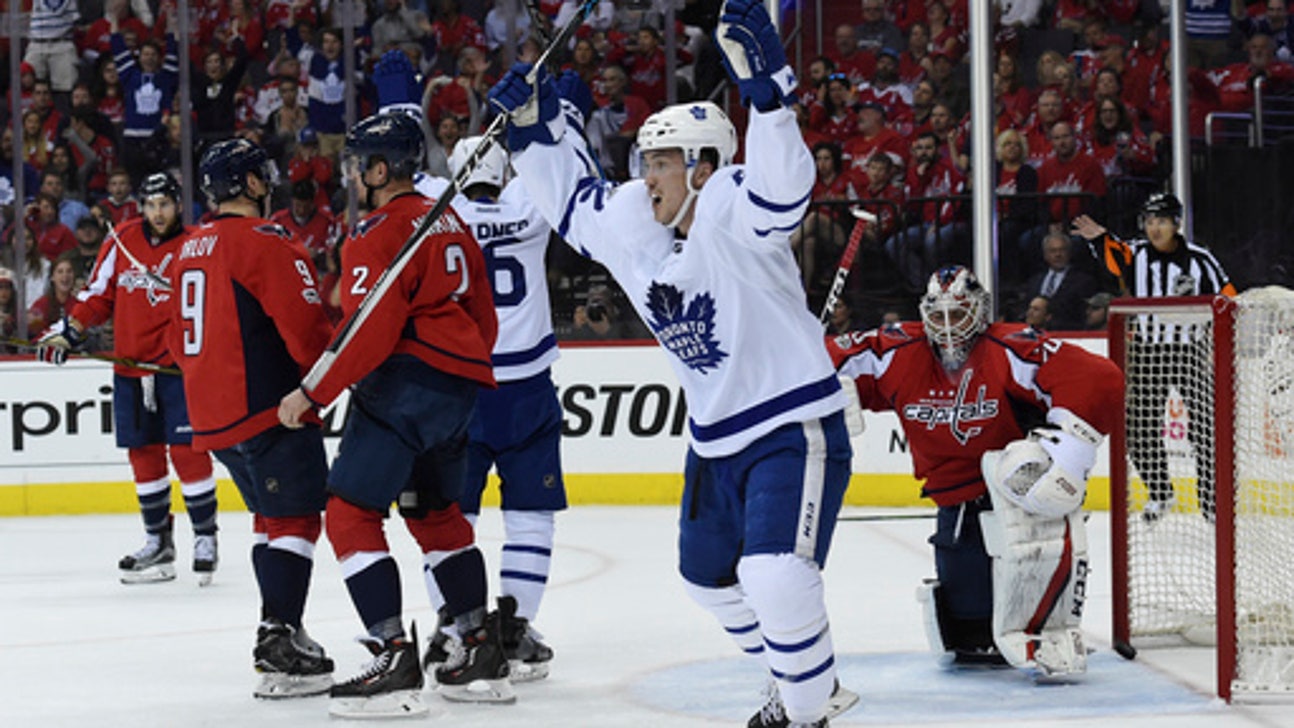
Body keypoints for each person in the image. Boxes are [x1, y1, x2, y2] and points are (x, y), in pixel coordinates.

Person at [488, 0, 856, 723]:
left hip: (792, 423)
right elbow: (570, 202)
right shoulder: (636, 223)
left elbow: (784, 193)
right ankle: (798, 679)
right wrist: (531, 131)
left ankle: (808, 707)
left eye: (659, 162)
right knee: (708, 581)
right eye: (644, 161)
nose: (645, 175)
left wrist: (768, 99)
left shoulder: (731, 206)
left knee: (774, 574)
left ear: (701, 164)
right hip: (714, 440)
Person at [277, 112, 506, 717]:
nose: (353, 177)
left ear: (381, 170)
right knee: (434, 514)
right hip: (459, 387)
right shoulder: (449, 222)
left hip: (404, 385)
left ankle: (393, 655)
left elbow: (365, 331)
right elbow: (484, 316)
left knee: (349, 514)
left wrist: (313, 392)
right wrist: (461, 371)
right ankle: (480, 646)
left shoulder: (378, 231)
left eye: (359, 166)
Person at [828, 265, 1122, 677]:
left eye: (959, 313)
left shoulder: (1008, 347)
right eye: (940, 315)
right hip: (955, 506)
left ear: (980, 312)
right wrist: (817, 381)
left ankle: (1052, 628)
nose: (948, 326)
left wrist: (1070, 458)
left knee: (1038, 620)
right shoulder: (898, 349)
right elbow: (817, 359)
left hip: (1022, 501)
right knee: (971, 641)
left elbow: (1098, 376)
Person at [170, 138, 336, 698]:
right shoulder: (268, 243)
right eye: (264, 176)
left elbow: (177, 340)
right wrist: (328, 379)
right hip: (270, 406)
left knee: (270, 517)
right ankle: (279, 639)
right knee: (294, 519)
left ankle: (281, 624)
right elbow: (306, 328)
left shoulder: (189, 246)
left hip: (213, 417)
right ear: (252, 185)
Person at [412, 134, 566, 683]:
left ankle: (455, 623)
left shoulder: (439, 208)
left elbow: (407, 172)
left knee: (452, 515)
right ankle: (514, 627)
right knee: (531, 517)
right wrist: (559, 123)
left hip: (462, 385)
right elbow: (562, 174)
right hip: (527, 388)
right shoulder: (530, 203)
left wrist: (402, 107)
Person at [36, 174, 220, 585]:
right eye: (151, 205)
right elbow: (98, 296)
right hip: (130, 368)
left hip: (178, 369)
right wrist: (69, 331)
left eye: (165, 204)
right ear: (141, 206)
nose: (158, 213)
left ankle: (206, 536)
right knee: (143, 454)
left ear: (178, 205)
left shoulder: (198, 243)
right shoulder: (121, 240)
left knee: (188, 451)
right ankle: (158, 540)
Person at [1072, 193, 1238, 522]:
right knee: (1139, 428)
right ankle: (1161, 492)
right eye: (1149, 221)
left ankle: (1211, 501)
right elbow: (1113, 257)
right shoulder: (1136, 254)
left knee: (1206, 428)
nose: (1154, 228)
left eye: (1161, 220)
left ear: (1176, 223)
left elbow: (1228, 295)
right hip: (1149, 353)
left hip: (1190, 353)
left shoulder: (1200, 259)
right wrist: (1101, 239)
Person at [1023, 232, 1098, 331]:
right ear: (1045, 255)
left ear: (1069, 253)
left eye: (1062, 250)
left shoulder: (1084, 281)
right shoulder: (1034, 281)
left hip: (1068, 334)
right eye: (1052, 251)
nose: (1058, 255)